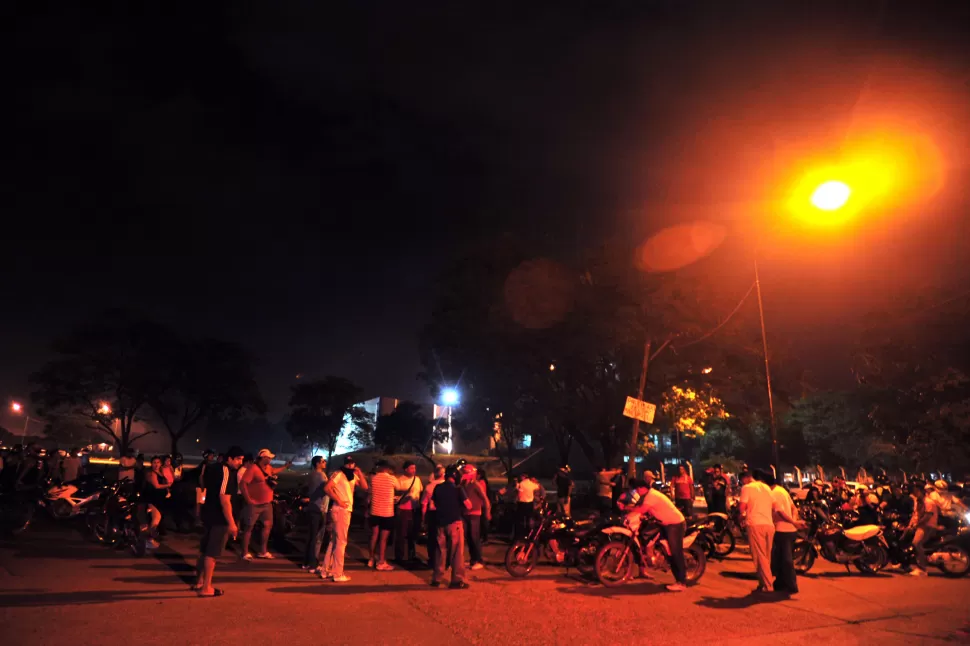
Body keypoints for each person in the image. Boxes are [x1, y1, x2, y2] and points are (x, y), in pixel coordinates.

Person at [193, 446, 244, 598]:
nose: (240, 462)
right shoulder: (226, 471)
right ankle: (206, 587)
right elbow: (225, 499)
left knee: (204, 551)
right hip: (219, 518)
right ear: (229, 459)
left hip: (208, 514)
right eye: (238, 459)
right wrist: (232, 523)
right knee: (212, 553)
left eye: (241, 459)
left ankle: (199, 582)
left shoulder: (212, 468)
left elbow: (203, 485)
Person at [624, 472, 689, 592]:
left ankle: (682, 582)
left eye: (638, 490)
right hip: (664, 524)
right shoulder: (648, 495)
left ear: (642, 488)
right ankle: (662, 564)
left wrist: (627, 508)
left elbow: (642, 509)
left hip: (674, 524)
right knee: (666, 550)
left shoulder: (651, 495)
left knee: (675, 552)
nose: (637, 493)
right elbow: (648, 510)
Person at [239, 448, 291, 560]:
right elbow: (243, 484)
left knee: (267, 526)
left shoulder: (268, 468)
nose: (271, 459)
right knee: (249, 527)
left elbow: (274, 471)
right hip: (254, 504)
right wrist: (248, 500)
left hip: (267, 503)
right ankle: (244, 552)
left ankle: (263, 551)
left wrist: (286, 466)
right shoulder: (253, 468)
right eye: (269, 457)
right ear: (263, 457)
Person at [322, 455, 368, 582]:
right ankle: (338, 573)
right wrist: (339, 500)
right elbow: (327, 488)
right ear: (344, 464)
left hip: (344, 510)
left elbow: (365, 487)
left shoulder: (352, 476)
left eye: (352, 463)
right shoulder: (339, 474)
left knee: (335, 541)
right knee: (341, 542)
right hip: (341, 510)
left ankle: (326, 570)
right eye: (348, 463)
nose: (350, 465)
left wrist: (360, 473)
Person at [431, 465, 472, 589]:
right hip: (454, 523)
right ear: (455, 476)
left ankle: (437, 578)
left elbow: (433, 504)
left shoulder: (437, 488)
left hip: (440, 523)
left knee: (440, 551)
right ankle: (456, 580)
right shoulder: (458, 489)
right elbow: (468, 505)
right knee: (457, 553)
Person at [768, 474, 801, 595]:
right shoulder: (783, 490)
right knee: (781, 558)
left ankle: (791, 585)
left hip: (782, 530)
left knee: (786, 559)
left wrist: (792, 522)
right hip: (790, 530)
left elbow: (779, 512)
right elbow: (794, 508)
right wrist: (794, 521)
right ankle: (781, 583)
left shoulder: (774, 493)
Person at [368, 460, 398, 571]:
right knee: (383, 539)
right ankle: (381, 562)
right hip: (387, 512)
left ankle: (371, 559)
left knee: (374, 535)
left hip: (375, 510)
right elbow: (399, 487)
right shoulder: (391, 478)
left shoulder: (374, 478)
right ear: (388, 468)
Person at [302, 456, 330, 573]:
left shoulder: (314, 474)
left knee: (313, 535)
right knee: (316, 536)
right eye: (323, 461)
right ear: (318, 464)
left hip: (315, 506)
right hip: (319, 507)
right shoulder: (319, 475)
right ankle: (313, 563)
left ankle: (307, 562)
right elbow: (328, 488)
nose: (325, 463)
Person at [461, 464, 490, 570]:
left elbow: (485, 499)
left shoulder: (476, 484)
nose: (464, 474)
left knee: (475, 537)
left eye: (466, 472)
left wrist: (487, 512)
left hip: (475, 513)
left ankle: (479, 560)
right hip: (465, 514)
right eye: (463, 472)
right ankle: (473, 560)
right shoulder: (463, 484)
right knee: (468, 537)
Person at [395, 460, 423, 566]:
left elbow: (420, 491)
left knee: (413, 533)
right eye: (411, 468)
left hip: (414, 509)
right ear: (405, 469)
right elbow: (396, 496)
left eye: (414, 468)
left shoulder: (417, 479)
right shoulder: (400, 481)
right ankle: (399, 556)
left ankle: (412, 554)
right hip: (403, 509)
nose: (413, 470)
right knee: (401, 534)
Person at [908, 484, 940, 576]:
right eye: (914, 491)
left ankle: (922, 568)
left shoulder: (929, 502)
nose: (915, 493)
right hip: (920, 525)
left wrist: (916, 525)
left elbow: (927, 517)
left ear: (922, 491)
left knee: (916, 543)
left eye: (917, 491)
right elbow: (915, 515)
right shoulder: (918, 502)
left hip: (928, 526)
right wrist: (910, 525)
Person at [144, 456, 172, 548]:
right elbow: (156, 486)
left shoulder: (160, 472)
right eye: (154, 462)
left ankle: (150, 538)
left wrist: (167, 490)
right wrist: (167, 485)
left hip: (160, 499)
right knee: (156, 518)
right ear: (151, 464)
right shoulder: (151, 473)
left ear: (160, 464)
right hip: (152, 499)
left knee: (156, 519)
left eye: (158, 462)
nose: (156, 464)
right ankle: (149, 539)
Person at [422, 464, 446, 569]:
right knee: (444, 537)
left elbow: (424, 504)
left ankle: (432, 560)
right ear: (442, 474)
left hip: (432, 514)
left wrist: (423, 518)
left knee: (432, 538)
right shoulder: (447, 485)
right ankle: (444, 561)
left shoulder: (429, 486)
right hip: (444, 513)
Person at [513, 472, 541, 540]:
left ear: (523, 477)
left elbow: (519, 494)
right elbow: (538, 487)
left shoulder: (521, 484)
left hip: (522, 503)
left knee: (520, 520)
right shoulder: (531, 484)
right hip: (530, 504)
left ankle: (520, 535)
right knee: (529, 520)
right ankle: (529, 534)